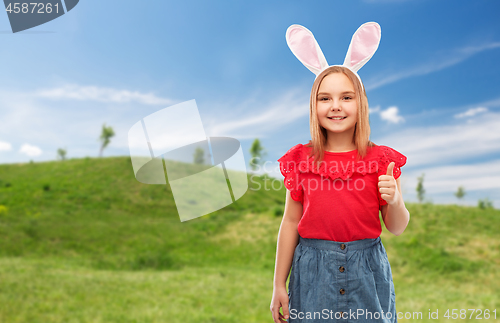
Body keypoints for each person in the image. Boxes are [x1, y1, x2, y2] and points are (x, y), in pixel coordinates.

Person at [270, 22, 410, 322]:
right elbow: (291, 221)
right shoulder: (300, 159)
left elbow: (396, 227)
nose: (336, 106)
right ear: (314, 105)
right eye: (325, 98)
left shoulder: (380, 160)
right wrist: (278, 284)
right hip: (312, 274)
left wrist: (396, 201)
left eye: (346, 97)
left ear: (361, 103)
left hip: (367, 274)